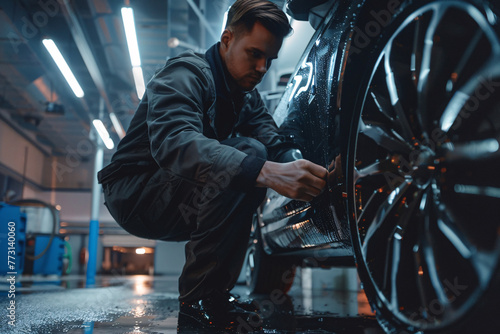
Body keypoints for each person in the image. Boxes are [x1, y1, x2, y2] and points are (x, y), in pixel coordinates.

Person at [98, 0, 328, 329]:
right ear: (227, 39)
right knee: (248, 157)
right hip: (134, 194)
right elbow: (174, 142)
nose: (263, 68)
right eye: (254, 54)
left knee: (253, 155)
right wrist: (265, 171)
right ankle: (200, 299)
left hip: (173, 191)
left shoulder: (246, 96)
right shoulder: (185, 73)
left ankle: (214, 295)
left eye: (270, 59)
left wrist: (308, 171)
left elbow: (275, 142)